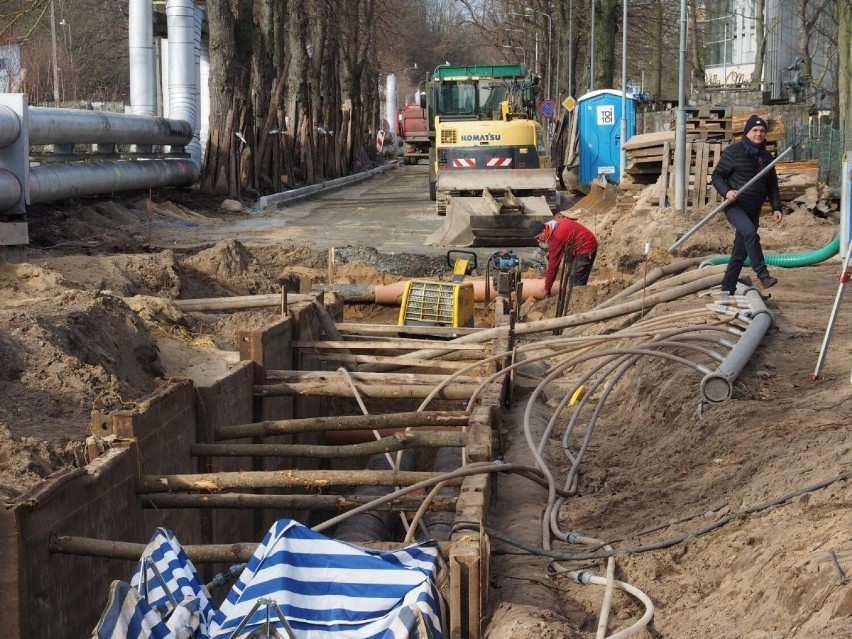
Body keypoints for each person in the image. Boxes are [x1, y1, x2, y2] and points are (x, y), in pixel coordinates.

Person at [711, 114, 783, 294]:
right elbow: (717, 176)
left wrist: (776, 207)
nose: (758, 134)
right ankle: (763, 274)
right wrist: (727, 191)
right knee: (749, 232)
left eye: (762, 131)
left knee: (740, 253)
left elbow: (772, 184)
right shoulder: (733, 152)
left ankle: (727, 289)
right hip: (736, 207)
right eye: (755, 130)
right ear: (747, 132)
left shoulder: (766, 157)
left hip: (753, 208)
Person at [529, 216, 598, 297]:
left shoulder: (556, 237)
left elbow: (553, 266)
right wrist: (552, 252)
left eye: (538, 238)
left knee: (576, 280)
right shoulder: (550, 226)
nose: (538, 241)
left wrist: (547, 288)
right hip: (575, 246)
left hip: (586, 247)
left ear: (543, 231)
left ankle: (577, 300)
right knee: (570, 274)